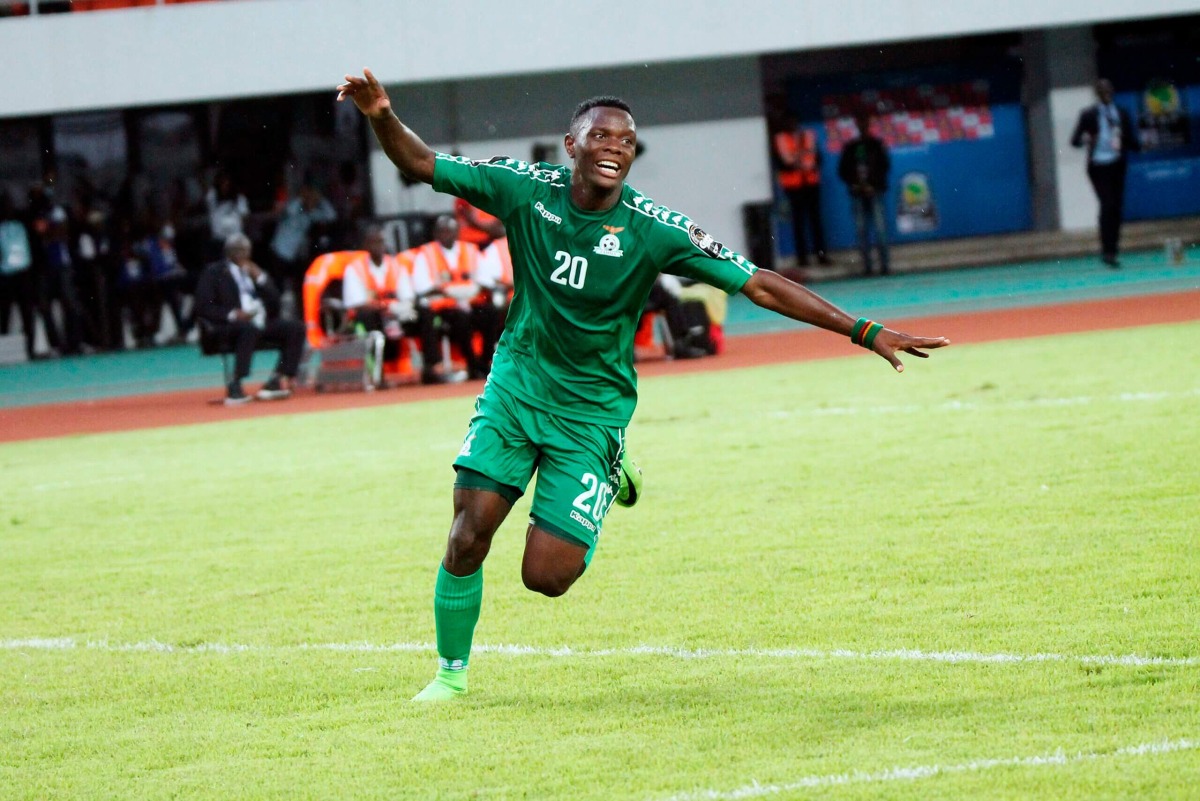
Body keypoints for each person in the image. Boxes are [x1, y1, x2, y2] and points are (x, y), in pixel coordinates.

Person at [337, 68, 949, 702]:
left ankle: (606, 470)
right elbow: (421, 161)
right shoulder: (522, 189)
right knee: (467, 535)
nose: (615, 147)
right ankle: (450, 675)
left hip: (591, 412)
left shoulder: (656, 229)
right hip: (515, 391)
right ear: (571, 147)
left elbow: (759, 283)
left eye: (627, 141)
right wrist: (380, 112)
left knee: (546, 577)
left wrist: (864, 329)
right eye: (600, 136)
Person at [193, 233, 307, 405]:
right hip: (230, 326)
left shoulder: (253, 271)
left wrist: (260, 278)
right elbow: (203, 306)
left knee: (296, 328)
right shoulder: (214, 273)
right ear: (229, 252)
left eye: (246, 250)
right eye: (238, 250)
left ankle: (277, 379)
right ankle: (236, 383)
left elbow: (275, 301)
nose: (243, 254)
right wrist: (233, 314)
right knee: (248, 328)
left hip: (259, 321)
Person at [409, 215, 488, 382]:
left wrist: (470, 290)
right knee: (460, 318)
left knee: (492, 313)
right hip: (443, 306)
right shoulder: (426, 254)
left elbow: (484, 279)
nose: (447, 235)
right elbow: (421, 287)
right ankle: (469, 362)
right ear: (436, 234)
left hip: (470, 301)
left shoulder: (470, 250)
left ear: (457, 232)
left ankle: (485, 361)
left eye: (450, 231)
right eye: (443, 232)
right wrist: (449, 292)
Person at [1070, 79, 1140, 268]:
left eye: (1108, 90)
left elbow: (1132, 140)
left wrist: (1140, 144)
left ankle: (1113, 249)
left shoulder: (1121, 114)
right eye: (1102, 91)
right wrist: (1088, 139)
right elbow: (1074, 140)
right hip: (1098, 166)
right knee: (1107, 204)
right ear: (1097, 94)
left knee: (1116, 207)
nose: (1106, 94)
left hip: (1117, 164)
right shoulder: (1088, 115)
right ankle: (1106, 250)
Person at [341, 225, 429, 370]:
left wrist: (402, 308)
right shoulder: (355, 268)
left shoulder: (395, 265)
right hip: (374, 316)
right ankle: (378, 371)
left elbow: (407, 296)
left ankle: (431, 367)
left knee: (424, 313)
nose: (378, 246)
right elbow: (356, 303)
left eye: (381, 242)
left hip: (398, 315)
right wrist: (385, 308)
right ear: (366, 245)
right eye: (374, 242)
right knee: (368, 317)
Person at [771, 112, 830, 267]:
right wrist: (796, 163)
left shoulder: (808, 136)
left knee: (815, 221)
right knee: (798, 223)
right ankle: (802, 258)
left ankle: (821, 255)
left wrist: (808, 165)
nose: (792, 126)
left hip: (810, 183)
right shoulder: (780, 139)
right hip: (794, 186)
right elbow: (781, 162)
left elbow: (818, 158)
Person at [837, 110, 891, 276]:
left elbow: (884, 167)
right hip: (857, 194)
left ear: (869, 124)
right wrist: (855, 185)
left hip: (875, 192)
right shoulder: (851, 147)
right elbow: (843, 170)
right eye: (860, 122)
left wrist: (873, 186)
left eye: (865, 122)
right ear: (857, 125)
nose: (863, 126)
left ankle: (884, 267)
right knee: (861, 231)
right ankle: (867, 267)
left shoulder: (877, 144)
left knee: (881, 230)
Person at [269, 181, 338, 305]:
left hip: (294, 255)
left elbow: (331, 216)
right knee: (278, 286)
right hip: (279, 251)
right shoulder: (294, 208)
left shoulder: (312, 214)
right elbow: (290, 210)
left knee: (298, 285)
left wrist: (320, 199)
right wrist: (304, 197)